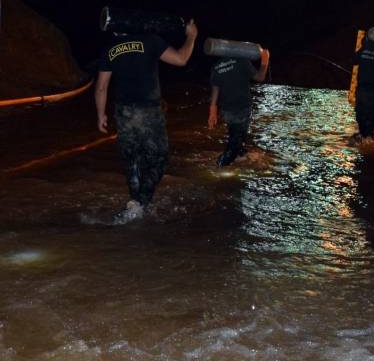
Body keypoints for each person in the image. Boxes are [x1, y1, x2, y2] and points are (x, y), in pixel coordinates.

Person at [94, 19, 198, 220]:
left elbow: (101, 87)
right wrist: (191, 36)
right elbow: (181, 59)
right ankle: (141, 201)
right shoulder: (151, 40)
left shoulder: (110, 47)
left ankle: (134, 201)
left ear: (115, 31)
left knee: (133, 158)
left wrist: (101, 115)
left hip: (124, 111)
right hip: (149, 110)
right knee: (159, 158)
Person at [207, 47, 270, 166]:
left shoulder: (216, 66)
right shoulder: (242, 61)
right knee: (236, 140)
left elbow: (215, 90)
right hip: (242, 108)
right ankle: (221, 165)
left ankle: (241, 155)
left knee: (235, 135)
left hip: (226, 111)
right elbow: (260, 77)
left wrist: (212, 111)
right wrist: (265, 61)